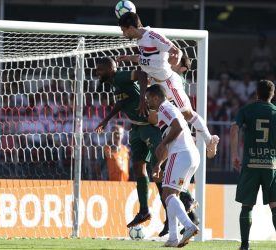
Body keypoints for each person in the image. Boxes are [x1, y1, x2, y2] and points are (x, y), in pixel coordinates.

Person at [117, 12, 219, 159]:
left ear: (131, 28)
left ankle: (210, 140)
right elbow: (143, 58)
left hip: (169, 83)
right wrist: (127, 58)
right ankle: (188, 140)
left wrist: (175, 58)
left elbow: (176, 50)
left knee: (187, 114)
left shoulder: (152, 36)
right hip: (158, 89)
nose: (124, 34)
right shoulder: (140, 41)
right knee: (159, 120)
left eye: (124, 30)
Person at [94, 57, 162, 228]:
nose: (97, 72)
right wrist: (106, 120)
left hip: (148, 126)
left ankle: (180, 207)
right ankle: (144, 210)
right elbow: (122, 102)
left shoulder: (121, 76)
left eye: (100, 69)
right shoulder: (113, 83)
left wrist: (141, 100)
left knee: (158, 169)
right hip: (137, 128)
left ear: (110, 68)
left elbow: (141, 74)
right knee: (139, 168)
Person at [145, 84, 200, 247]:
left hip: (181, 154)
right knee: (170, 195)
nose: (147, 102)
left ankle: (189, 225)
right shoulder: (167, 112)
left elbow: (178, 127)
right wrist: (159, 165)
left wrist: (162, 144)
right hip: (189, 155)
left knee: (168, 194)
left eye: (148, 99)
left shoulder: (164, 108)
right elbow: (173, 137)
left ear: (156, 97)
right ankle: (173, 238)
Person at [230, 79, 276, 250]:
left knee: (247, 205)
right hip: (271, 165)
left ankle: (244, 245)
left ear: (257, 93)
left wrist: (235, 155)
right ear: (273, 94)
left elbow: (234, 129)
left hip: (250, 164)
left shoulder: (246, 110)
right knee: (274, 206)